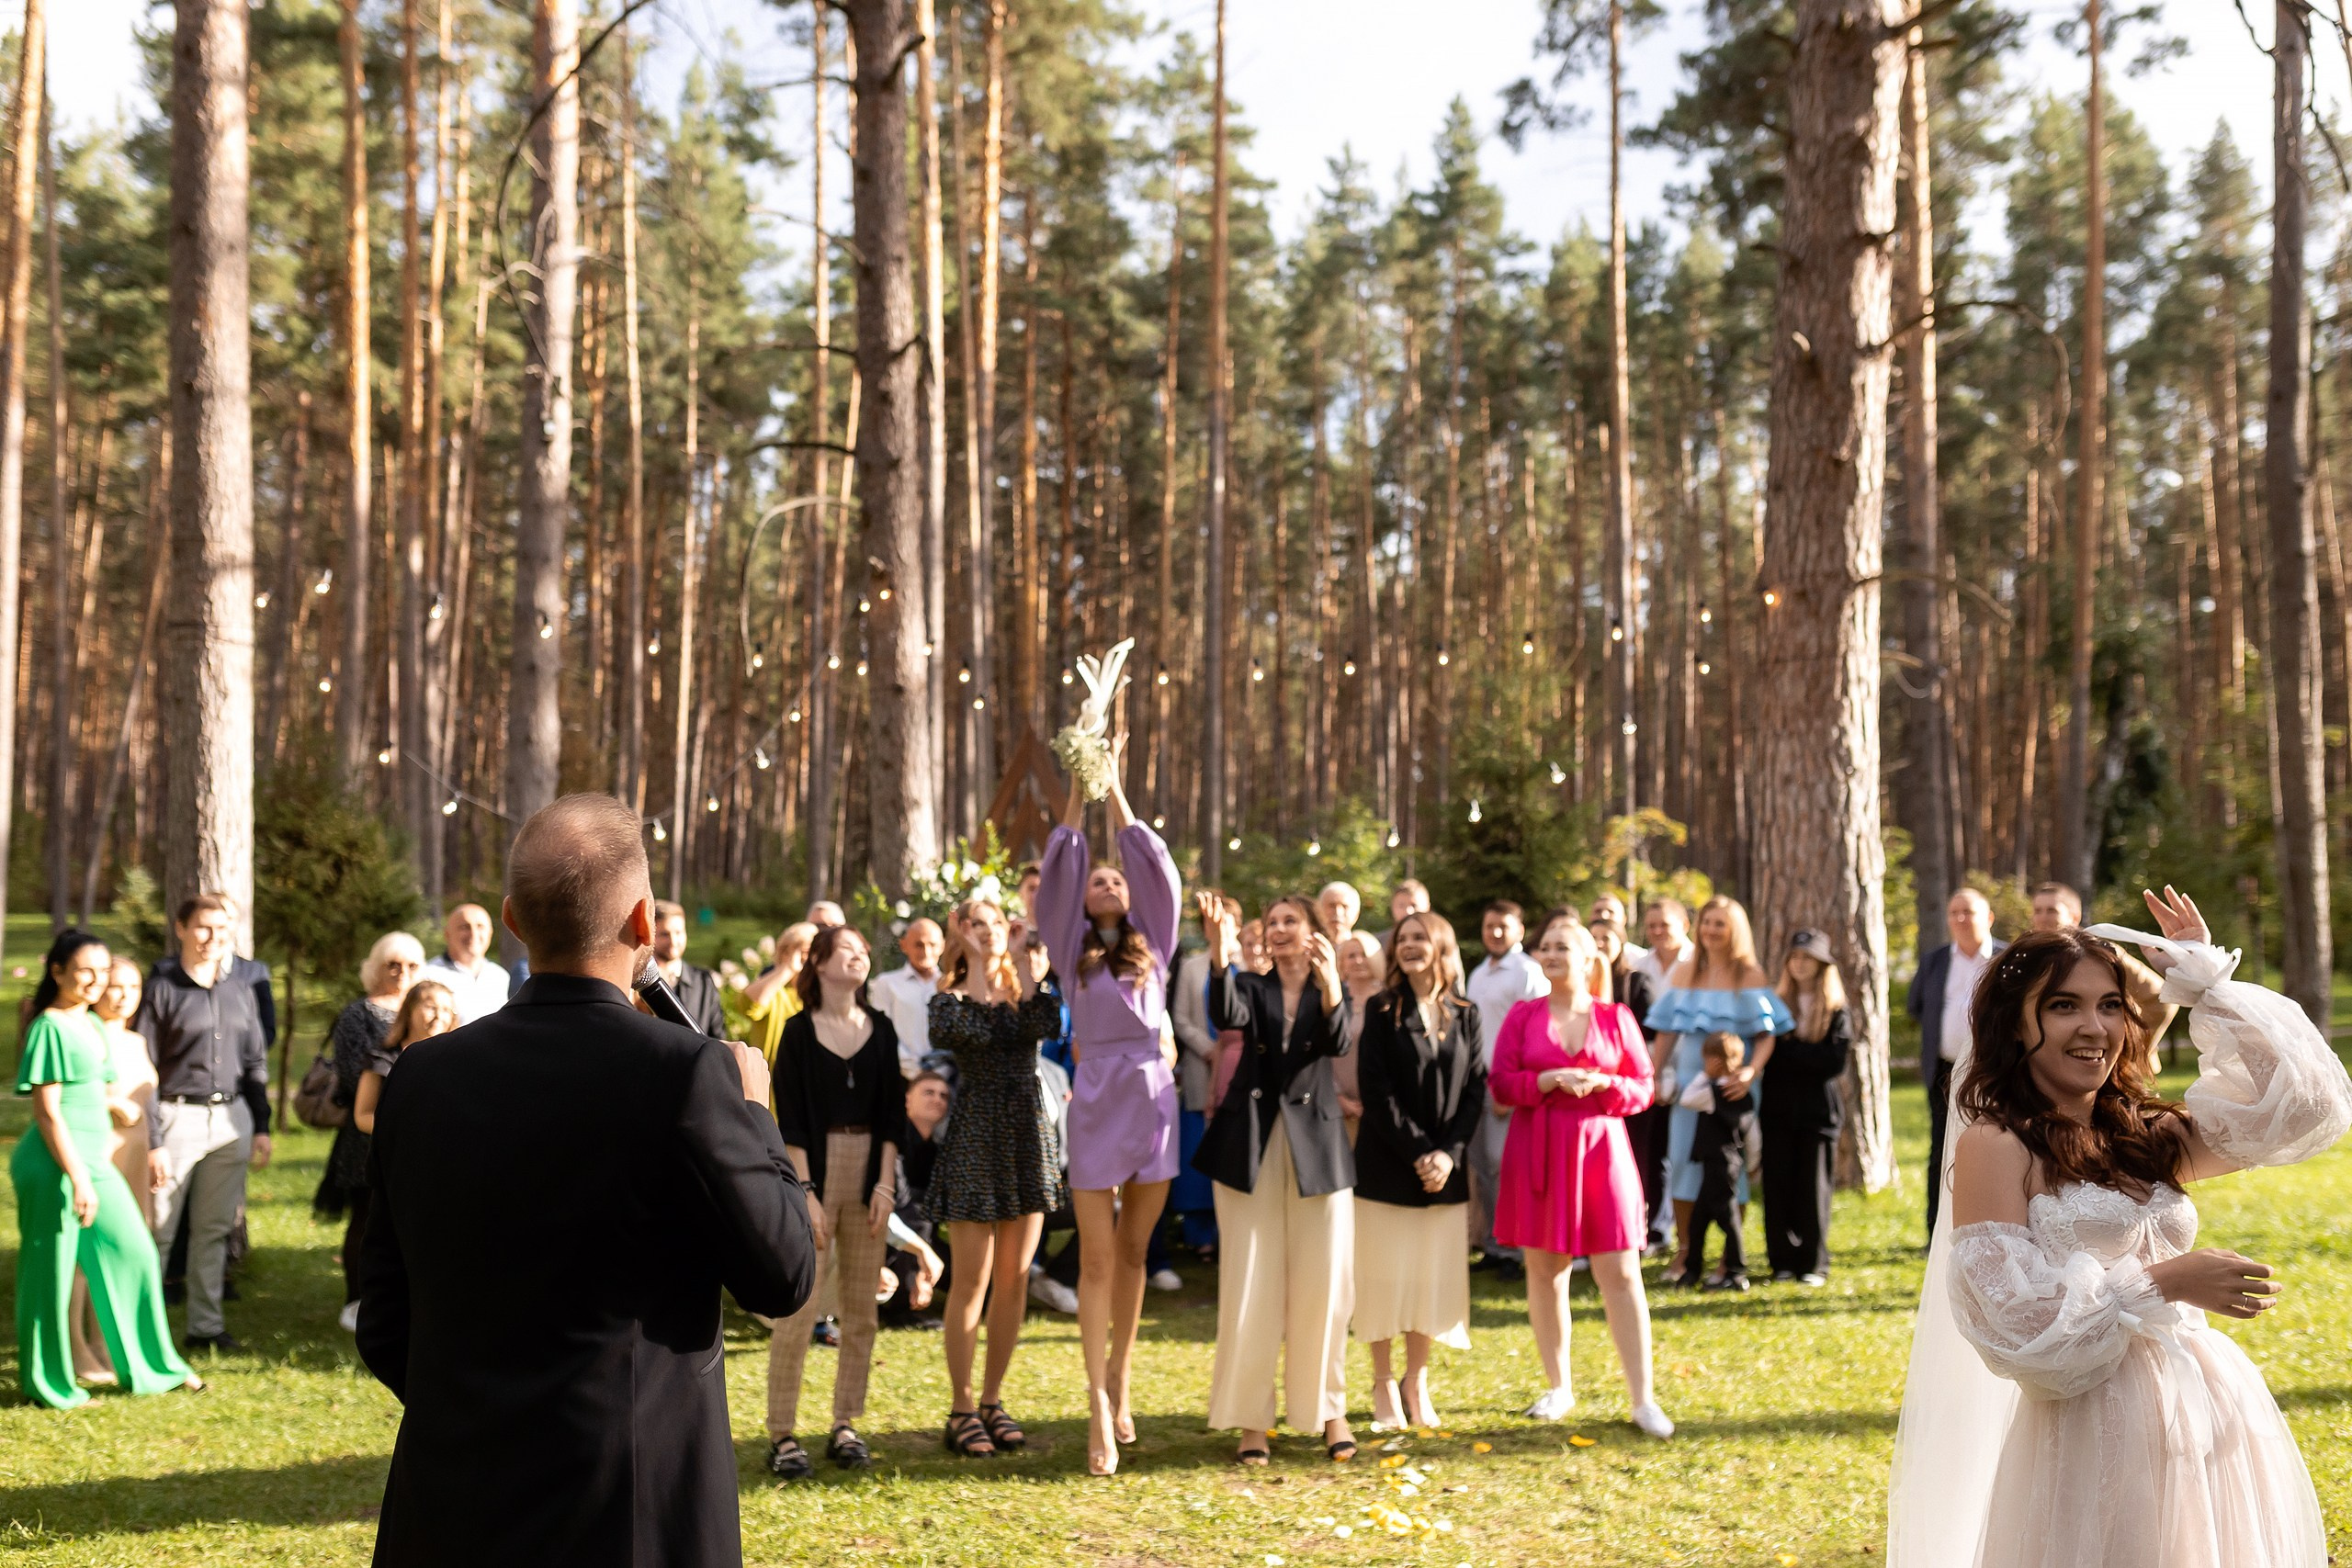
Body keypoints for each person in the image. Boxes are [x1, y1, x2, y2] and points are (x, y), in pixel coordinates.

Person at [356, 792, 813, 1568]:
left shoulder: (423, 1075)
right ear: (644, 924)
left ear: (511, 919)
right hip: (628, 1504)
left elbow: (384, 1319)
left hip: (454, 1498)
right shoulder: (688, 1073)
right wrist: (758, 1116)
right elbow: (785, 1271)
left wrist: (479, 1413)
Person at [1889, 887, 2352, 1568]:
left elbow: (2307, 1108)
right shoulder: (1996, 1144)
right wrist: (2168, 1278)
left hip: (2207, 1412)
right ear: (2016, 1024)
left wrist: (2208, 983)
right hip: (2090, 1434)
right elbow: (2019, 1328)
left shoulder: (2145, 1133)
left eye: (2110, 1005)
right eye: (2063, 1004)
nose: (2094, 1027)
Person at [1037, 742, 1182, 1477]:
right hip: (1095, 1100)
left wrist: (1116, 784)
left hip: (1154, 1097)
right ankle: (1096, 1397)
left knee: (1133, 1251)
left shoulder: (1154, 942)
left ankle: (1122, 1372)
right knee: (1095, 1256)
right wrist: (1077, 788)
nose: (1103, 881)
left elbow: (1157, 867)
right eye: (1095, 877)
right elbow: (1060, 870)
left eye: (1113, 877)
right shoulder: (1071, 952)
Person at [1194, 891, 1358, 1466]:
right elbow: (1225, 1013)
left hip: (1319, 1150)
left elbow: (1338, 1042)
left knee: (1325, 1289)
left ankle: (1328, 1410)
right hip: (1250, 1146)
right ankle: (1251, 1421)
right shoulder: (1252, 988)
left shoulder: (1331, 990)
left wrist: (1332, 980)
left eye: (1293, 921)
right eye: (1273, 922)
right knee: (1250, 1285)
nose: (1281, 930)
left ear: (1315, 932)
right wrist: (1220, 953)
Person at [1492, 914, 1671, 1437]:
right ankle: (1558, 1386)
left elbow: (1644, 1088)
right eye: (1544, 947)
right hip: (1539, 1150)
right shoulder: (1523, 1018)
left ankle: (1643, 1400)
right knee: (1545, 1273)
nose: (1550, 955)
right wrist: (1545, 1079)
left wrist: (1601, 1084)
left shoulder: (1616, 1018)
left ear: (1589, 958)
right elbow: (1501, 1083)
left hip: (1602, 1152)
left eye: (1561, 947)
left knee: (1620, 1272)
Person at [13, 931, 198, 1409]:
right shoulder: (48, 1026)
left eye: (102, 972)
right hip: (56, 1164)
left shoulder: (91, 1025)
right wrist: (76, 1177)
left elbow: (91, 1087)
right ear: (57, 972)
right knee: (51, 1275)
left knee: (135, 1252)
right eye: (85, 972)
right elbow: (48, 1112)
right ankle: (50, 1386)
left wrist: (117, 1104)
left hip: (94, 1162)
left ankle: (155, 1368)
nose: (95, 982)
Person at [763, 924, 907, 1480]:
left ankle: (846, 1424)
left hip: (872, 1174)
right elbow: (790, 1118)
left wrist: (886, 1185)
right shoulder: (798, 1033)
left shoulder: (884, 1028)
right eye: (848, 949)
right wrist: (805, 1193)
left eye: (864, 951)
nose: (860, 957)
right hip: (814, 1176)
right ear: (819, 963)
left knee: (861, 1314)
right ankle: (783, 1434)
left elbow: (894, 1113)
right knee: (799, 1313)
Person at [926, 895, 1064, 1459]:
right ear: (960, 932)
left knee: (1015, 1278)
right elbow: (966, 1033)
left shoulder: (1023, 990)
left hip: (1027, 1137)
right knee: (971, 1282)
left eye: (997, 924)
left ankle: (992, 1399)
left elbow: (1046, 1023)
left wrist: (1030, 977)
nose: (989, 932)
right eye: (976, 924)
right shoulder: (951, 998)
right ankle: (961, 1409)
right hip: (977, 1136)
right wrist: (980, 963)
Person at [1351, 910, 1483, 1434]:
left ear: (1440, 946)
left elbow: (1476, 1086)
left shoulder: (1465, 1012)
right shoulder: (1381, 1010)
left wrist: (1447, 1153)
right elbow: (1376, 1092)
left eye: (1418, 938)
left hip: (1445, 1172)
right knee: (1383, 1279)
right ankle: (1383, 1381)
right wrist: (1419, 1152)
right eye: (1401, 939)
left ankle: (1417, 1379)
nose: (1408, 946)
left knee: (1432, 1280)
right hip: (1387, 1166)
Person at [138, 892, 274, 1353]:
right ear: (180, 928)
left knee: (213, 1231)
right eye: (203, 928)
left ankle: (205, 1328)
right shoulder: (161, 988)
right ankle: (139, 1335)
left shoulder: (241, 990)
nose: (212, 938)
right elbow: (145, 1069)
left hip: (231, 1120)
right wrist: (153, 1139)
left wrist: (261, 1126)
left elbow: (255, 1062)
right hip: (175, 1118)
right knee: (158, 1230)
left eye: (221, 930)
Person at [1645, 895, 1791, 1281]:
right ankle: (1686, 1253)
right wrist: (1655, 1074)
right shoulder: (1685, 973)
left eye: (1720, 924)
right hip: (1690, 1091)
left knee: (1732, 1170)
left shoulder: (1751, 975)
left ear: (1735, 930)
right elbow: (1666, 1031)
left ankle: (1731, 1257)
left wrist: (1751, 1072)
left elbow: (1767, 1035)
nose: (1711, 930)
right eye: (1706, 922)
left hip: (1733, 1089)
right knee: (1681, 1165)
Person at [314, 932, 429, 1333]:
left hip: (421, 1139)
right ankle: (356, 1301)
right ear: (374, 968)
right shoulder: (357, 1014)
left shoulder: (429, 1008)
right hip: (366, 1136)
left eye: (412, 966)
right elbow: (349, 1071)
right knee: (366, 1220)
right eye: (393, 964)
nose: (402, 973)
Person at [70, 956, 160, 1385]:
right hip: (99, 1151)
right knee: (85, 1256)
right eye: (115, 987)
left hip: (136, 1155)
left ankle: (110, 1341)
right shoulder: (84, 1032)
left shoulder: (137, 1040)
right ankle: (76, 1346)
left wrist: (156, 1149)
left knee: (128, 1247)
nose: (123, 996)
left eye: (133, 987)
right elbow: (67, 1090)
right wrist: (110, 1104)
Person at [1464, 899, 1548, 1278]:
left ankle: (1516, 1250)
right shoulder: (1479, 973)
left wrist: (1509, 1087)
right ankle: (1495, 1247)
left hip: (1507, 1085)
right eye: (1489, 926)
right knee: (1483, 1165)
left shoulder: (1528, 972)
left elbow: (1535, 1032)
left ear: (1519, 929)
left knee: (1504, 1165)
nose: (1495, 933)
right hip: (1478, 1082)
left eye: (1503, 926)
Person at [1910, 886, 2003, 1234]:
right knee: (1942, 1149)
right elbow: (1918, 1006)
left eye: (1969, 912)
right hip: (1944, 1072)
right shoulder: (1934, 960)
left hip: (1995, 1072)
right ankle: (1936, 1230)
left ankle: (1992, 1223)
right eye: (1954, 913)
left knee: (1996, 1146)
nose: (1961, 920)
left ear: (1989, 918)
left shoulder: (2008, 958)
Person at [1761, 930, 1851, 1284]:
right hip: (1777, 1108)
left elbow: (1832, 1061)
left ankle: (1813, 1262)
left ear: (1820, 965)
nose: (1799, 964)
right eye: (1795, 957)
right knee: (1778, 1183)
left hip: (1817, 1112)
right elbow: (1768, 1056)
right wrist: (1800, 1053)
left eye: (1807, 958)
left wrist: (1788, 1049)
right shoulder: (1774, 1004)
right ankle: (1781, 1260)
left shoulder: (1836, 1010)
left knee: (1813, 1187)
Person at [2030, 881, 2177, 1057]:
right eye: (2038, 911)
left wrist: (2128, 1051)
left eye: (2052, 910)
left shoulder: (2103, 954)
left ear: (2074, 917)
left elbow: (2161, 997)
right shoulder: (2028, 958)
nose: (2043, 918)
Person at [1169, 891, 1238, 1258]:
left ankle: (1233, 1233)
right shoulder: (1193, 966)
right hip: (1202, 1066)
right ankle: (1200, 1236)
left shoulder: (1249, 962)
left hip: (1242, 1074)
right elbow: (1179, 1017)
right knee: (1198, 1150)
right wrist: (1209, 1049)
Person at [1630, 899, 1692, 1249]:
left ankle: (1677, 1229)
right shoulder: (1640, 964)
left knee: (1678, 1150)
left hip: (1688, 1068)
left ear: (1683, 922)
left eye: (1664, 925)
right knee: (1652, 1150)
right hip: (1649, 1070)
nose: (1657, 932)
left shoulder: (1697, 961)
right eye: (1651, 926)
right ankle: (1654, 1224)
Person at [1674, 1032, 1755, 1291]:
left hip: (1718, 1166)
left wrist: (1705, 1076)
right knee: (1700, 1221)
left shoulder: (1713, 1091)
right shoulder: (1745, 1094)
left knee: (1725, 1220)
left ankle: (1735, 1271)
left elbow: (1687, 1099)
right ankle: (1693, 1270)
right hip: (1727, 1165)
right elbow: (1752, 1133)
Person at [353, 982, 459, 1136]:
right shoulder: (381, 1060)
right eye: (431, 1007)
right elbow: (363, 1115)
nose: (439, 1016)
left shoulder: (456, 1062)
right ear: (409, 1011)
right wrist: (408, 1132)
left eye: (446, 1010)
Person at [869, 917, 946, 1078]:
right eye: (919, 944)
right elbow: (881, 1033)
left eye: (932, 945)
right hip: (899, 1076)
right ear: (903, 945)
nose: (926, 952)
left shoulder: (950, 986)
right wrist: (916, 1070)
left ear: (942, 946)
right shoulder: (887, 983)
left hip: (946, 1079)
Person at [742, 921, 820, 1073]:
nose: (810, 960)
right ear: (785, 953)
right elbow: (748, 1005)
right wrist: (789, 968)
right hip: (774, 1083)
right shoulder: (776, 990)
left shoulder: (821, 993)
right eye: (805, 953)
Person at [424, 903, 512, 1025]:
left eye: (480, 927)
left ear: (490, 933)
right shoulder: (429, 975)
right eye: (465, 927)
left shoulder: (499, 976)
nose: (473, 934)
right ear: (447, 934)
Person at [649, 900, 726, 1037]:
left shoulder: (703, 982)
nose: (673, 941)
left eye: (678, 932)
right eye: (665, 934)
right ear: (652, 936)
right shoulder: (640, 986)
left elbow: (718, 1036)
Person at [1333, 931, 1383, 1134]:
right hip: (1338, 1107)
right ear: (1341, 963)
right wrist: (1337, 1097)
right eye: (1351, 956)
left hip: (1379, 1107)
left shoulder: (1388, 1002)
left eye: (1364, 954)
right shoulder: (1332, 1001)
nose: (1358, 961)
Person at [1589, 893, 1648, 968]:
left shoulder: (1640, 960)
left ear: (1624, 920)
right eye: (1598, 911)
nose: (1604, 916)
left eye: (1611, 912)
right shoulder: (1579, 955)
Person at [1318, 881, 1367, 953]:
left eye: (1345, 907)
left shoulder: (1366, 954)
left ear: (1356, 914)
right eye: (1332, 906)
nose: (1338, 912)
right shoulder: (1306, 952)